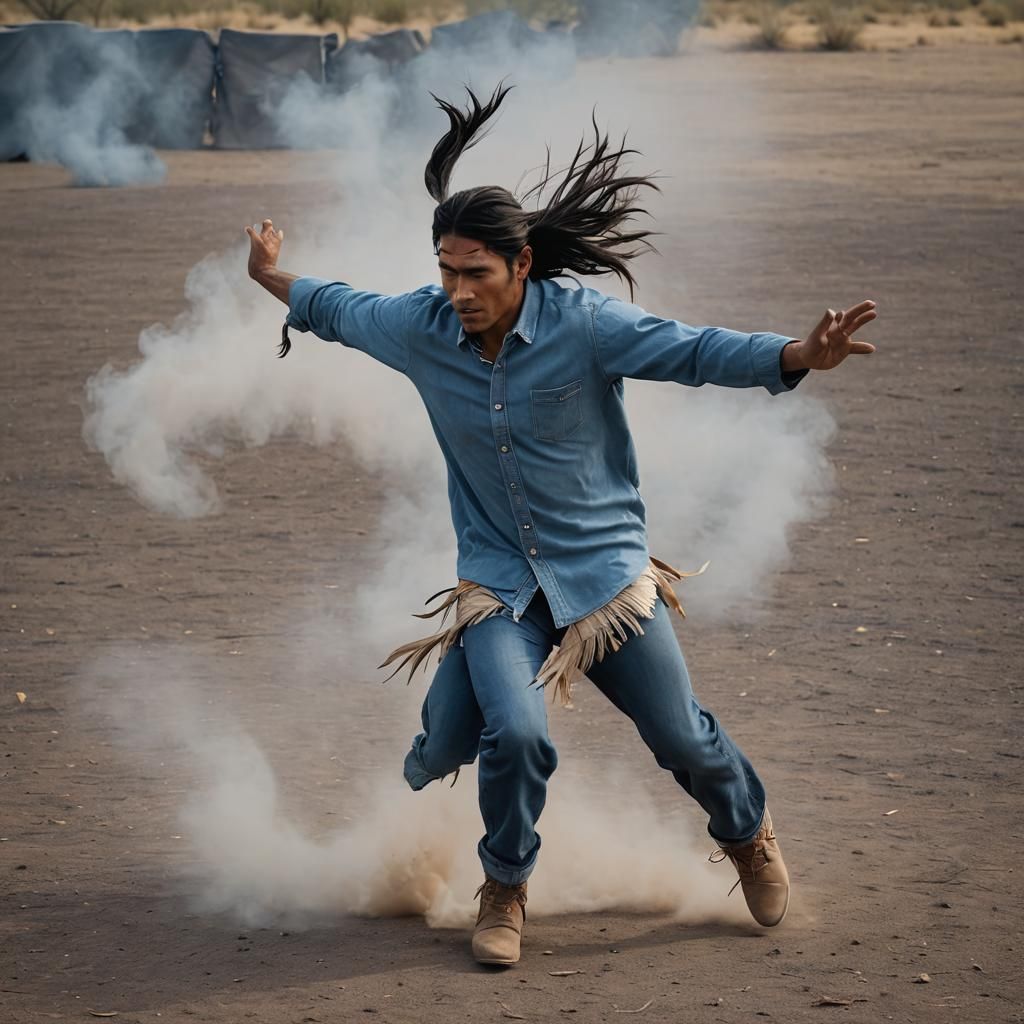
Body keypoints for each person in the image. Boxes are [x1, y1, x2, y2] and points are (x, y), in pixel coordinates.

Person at [246, 85, 877, 967]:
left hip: (604, 584)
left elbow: (693, 349)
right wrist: (272, 276)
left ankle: (748, 835)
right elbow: (340, 307)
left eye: (478, 274)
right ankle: (504, 885)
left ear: (523, 266)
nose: (458, 291)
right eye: (446, 271)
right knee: (511, 734)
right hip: (500, 586)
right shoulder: (423, 328)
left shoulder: (586, 326)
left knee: (682, 738)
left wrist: (798, 356)